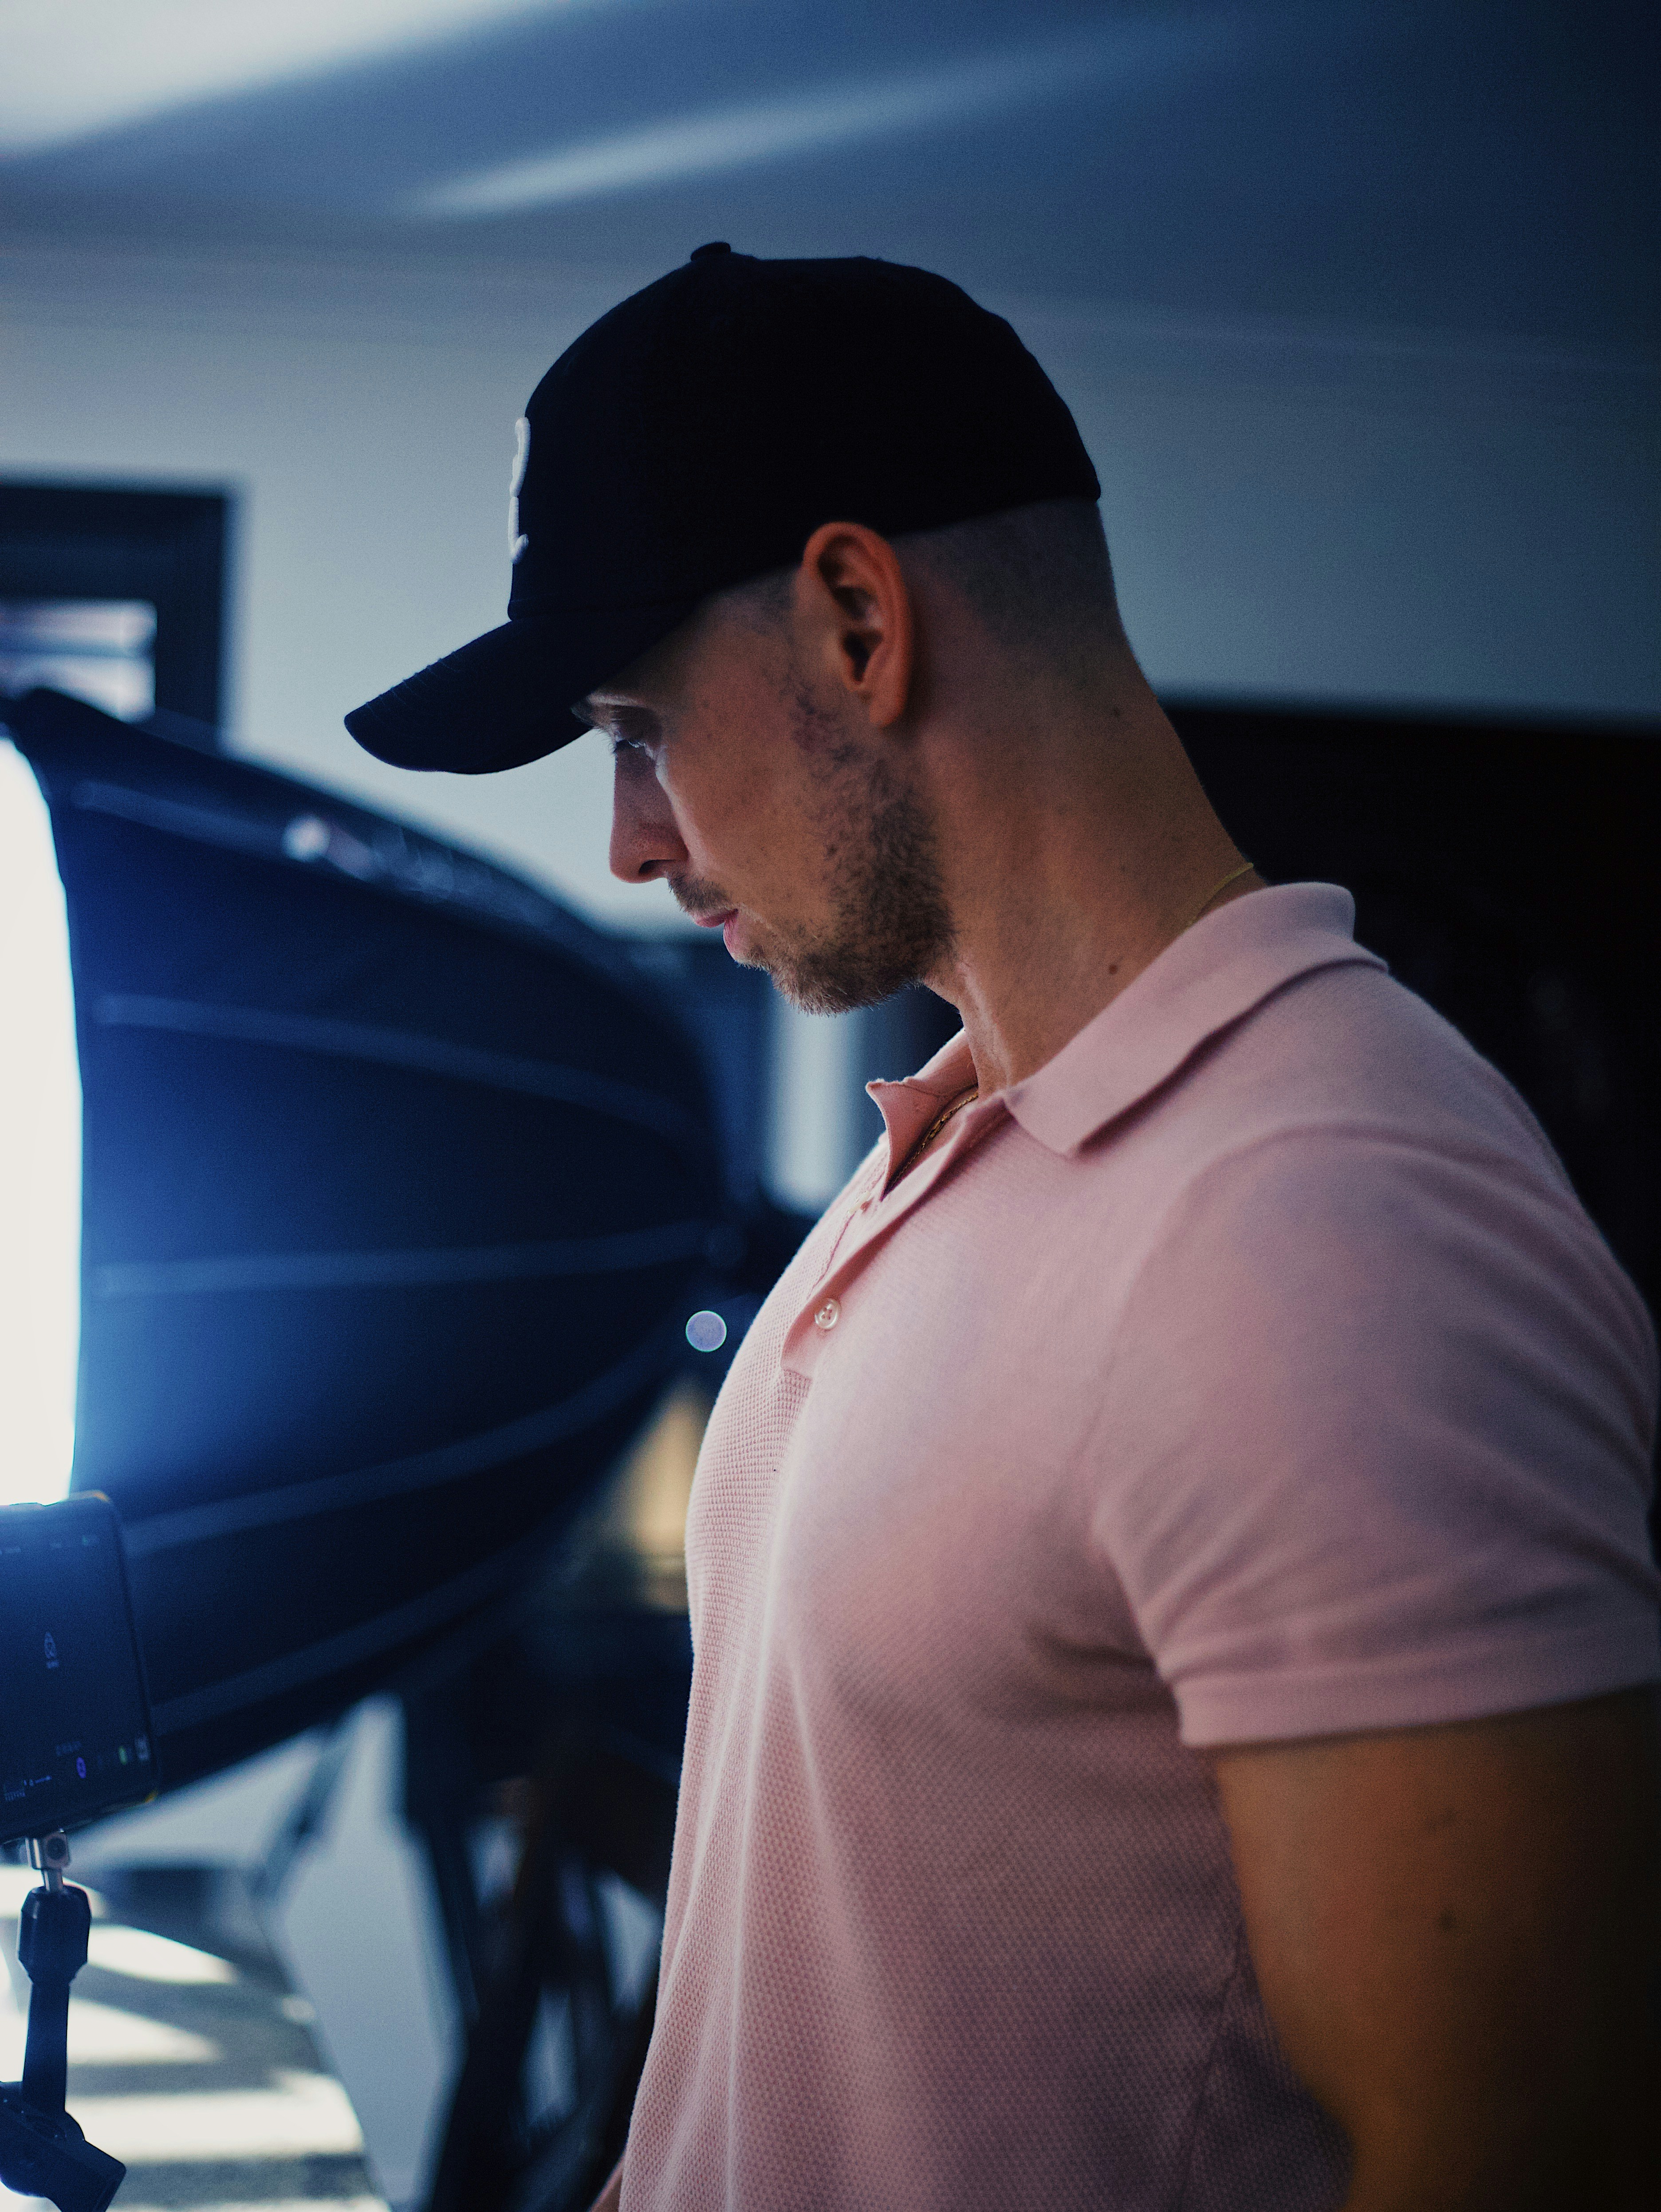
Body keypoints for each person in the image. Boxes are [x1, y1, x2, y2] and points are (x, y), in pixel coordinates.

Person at [347, 248, 1661, 2211]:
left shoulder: (1332, 1223)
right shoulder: (937, 1149)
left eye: (637, 726)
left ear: (860, 618)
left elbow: (1522, 2154)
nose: (626, 838)